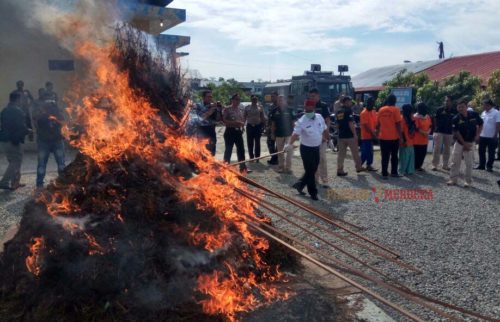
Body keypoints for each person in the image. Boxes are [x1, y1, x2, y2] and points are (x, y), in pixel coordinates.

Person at [288, 100, 328, 200]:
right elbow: (295, 134)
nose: (308, 111)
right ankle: (313, 193)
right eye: (306, 109)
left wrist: (329, 140)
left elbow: (324, 129)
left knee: (313, 169)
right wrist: (289, 144)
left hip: (316, 148)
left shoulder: (319, 117)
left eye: (310, 109)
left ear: (313, 108)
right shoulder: (301, 121)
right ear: (304, 109)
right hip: (306, 149)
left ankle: (300, 184)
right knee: (310, 171)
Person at [447, 99, 483, 187]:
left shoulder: (474, 115)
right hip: (459, 142)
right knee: (455, 162)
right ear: (457, 108)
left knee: (469, 163)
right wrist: (464, 144)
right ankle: (453, 179)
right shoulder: (455, 118)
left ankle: (468, 182)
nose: (461, 109)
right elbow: (456, 132)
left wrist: (478, 135)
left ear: (466, 107)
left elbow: (481, 123)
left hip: (470, 142)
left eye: (462, 107)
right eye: (459, 107)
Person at [0, 92, 32, 190]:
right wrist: (29, 131)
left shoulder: (4, 110)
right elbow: (21, 127)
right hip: (13, 141)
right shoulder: (18, 111)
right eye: (21, 99)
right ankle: (4, 182)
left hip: (4, 140)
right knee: (16, 162)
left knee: (13, 161)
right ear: (17, 99)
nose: (22, 101)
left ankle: (15, 182)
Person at [35, 100, 66, 187]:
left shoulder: (59, 115)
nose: (50, 109)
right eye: (48, 107)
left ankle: (62, 181)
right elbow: (38, 126)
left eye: (52, 107)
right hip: (44, 142)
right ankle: (39, 183)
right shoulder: (41, 116)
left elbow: (64, 125)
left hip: (57, 141)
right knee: (42, 163)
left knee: (61, 164)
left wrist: (56, 119)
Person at [375, 94, 403, 178]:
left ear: (387, 100)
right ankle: (394, 173)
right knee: (394, 156)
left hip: (383, 137)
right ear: (395, 101)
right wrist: (401, 137)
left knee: (384, 156)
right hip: (394, 137)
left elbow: (378, 124)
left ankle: (384, 174)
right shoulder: (396, 110)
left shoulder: (381, 109)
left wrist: (377, 134)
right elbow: (398, 124)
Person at [336, 96, 364, 176]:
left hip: (341, 135)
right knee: (355, 152)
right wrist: (355, 134)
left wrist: (339, 133)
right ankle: (358, 167)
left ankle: (339, 170)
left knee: (341, 154)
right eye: (350, 101)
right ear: (346, 102)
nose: (351, 103)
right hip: (349, 135)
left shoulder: (338, 111)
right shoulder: (348, 111)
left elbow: (337, 124)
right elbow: (350, 123)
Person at [222, 93, 250, 173]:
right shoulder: (227, 109)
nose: (238, 101)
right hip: (230, 131)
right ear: (232, 100)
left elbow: (242, 121)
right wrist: (235, 123)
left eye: (239, 100)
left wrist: (241, 126)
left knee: (241, 150)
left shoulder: (240, 109)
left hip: (238, 132)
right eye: (236, 99)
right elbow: (224, 121)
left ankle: (243, 167)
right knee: (228, 150)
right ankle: (225, 167)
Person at [309, 88, 330, 187]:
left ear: (318, 96)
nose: (311, 98)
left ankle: (324, 179)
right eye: (310, 96)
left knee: (322, 158)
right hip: (312, 137)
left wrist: (326, 134)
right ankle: (315, 179)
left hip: (322, 136)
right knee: (313, 159)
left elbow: (327, 120)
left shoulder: (323, 106)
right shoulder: (309, 106)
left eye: (313, 96)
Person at [271, 95, 295, 173]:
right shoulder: (274, 110)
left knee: (289, 152)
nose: (280, 101)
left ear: (285, 101)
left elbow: (293, 123)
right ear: (277, 101)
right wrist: (272, 133)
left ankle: (288, 168)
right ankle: (281, 167)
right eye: (279, 100)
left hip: (289, 134)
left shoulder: (290, 110)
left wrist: (295, 134)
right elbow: (273, 124)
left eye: (282, 100)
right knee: (280, 152)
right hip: (279, 134)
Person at [431, 96, 456, 171]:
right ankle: (434, 165)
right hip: (439, 131)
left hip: (449, 132)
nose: (446, 102)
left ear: (451, 102)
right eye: (445, 101)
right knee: (437, 148)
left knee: (447, 149)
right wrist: (436, 128)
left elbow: (456, 121)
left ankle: (445, 165)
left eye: (448, 101)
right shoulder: (439, 109)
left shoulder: (454, 111)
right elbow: (435, 119)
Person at [475, 98, 500, 172]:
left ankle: (489, 166)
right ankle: (481, 165)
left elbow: (498, 124)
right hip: (483, 135)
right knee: (481, 151)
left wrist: (495, 134)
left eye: (484, 105)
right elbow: (480, 124)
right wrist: (478, 134)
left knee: (491, 152)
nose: (483, 107)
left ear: (489, 105)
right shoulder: (483, 113)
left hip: (492, 136)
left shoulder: (496, 112)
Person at [194, 90, 219, 156]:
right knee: (202, 151)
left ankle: (210, 165)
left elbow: (218, 119)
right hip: (202, 130)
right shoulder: (198, 105)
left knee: (212, 150)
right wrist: (211, 109)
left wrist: (218, 109)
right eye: (208, 97)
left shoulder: (213, 106)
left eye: (211, 97)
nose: (210, 98)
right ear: (203, 97)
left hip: (211, 130)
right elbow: (201, 118)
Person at [244, 95, 266, 161]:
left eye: (255, 99)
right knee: (250, 142)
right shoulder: (247, 107)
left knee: (257, 142)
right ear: (251, 100)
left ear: (257, 100)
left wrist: (264, 125)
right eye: (253, 99)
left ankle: (257, 157)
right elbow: (244, 117)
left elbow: (262, 117)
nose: (254, 100)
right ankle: (251, 157)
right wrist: (242, 126)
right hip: (250, 126)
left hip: (257, 126)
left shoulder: (260, 107)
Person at [359, 97, 377, 171]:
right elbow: (366, 126)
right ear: (367, 103)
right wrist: (373, 134)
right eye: (370, 103)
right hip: (366, 136)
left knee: (370, 152)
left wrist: (376, 132)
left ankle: (368, 165)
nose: (371, 105)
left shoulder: (373, 112)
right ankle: (359, 165)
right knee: (365, 152)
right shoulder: (364, 113)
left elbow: (375, 123)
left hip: (371, 135)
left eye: (372, 103)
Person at [413, 103, 432, 171]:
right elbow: (416, 128)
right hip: (417, 140)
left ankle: (419, 166)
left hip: (425, 139)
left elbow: (430, 126)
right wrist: (424, 133)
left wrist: (428, 132)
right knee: (416, 154)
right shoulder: (415, 117)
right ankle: (415, 166)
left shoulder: (428, 117)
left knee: (423, 154)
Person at [399, 104, 416, 175]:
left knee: (403, 158)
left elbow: (401, 131)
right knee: (410, 157)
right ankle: (410, 170)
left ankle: (402, 171)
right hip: (411, 141)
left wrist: (404, 140)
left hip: (405, 142)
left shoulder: (402, 119)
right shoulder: (412, 118)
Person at [266, 91, 279, 165]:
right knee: (270, 143)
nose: (272, 98)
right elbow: (269, 117)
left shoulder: (279, 106)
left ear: (277, 97)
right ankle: (273, 158)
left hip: (278, 128)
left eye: (273, 96)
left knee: (278, 144)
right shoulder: (271, 106)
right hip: (270, 128)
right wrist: (267, 126)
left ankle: (276, 159)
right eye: (271, 97)